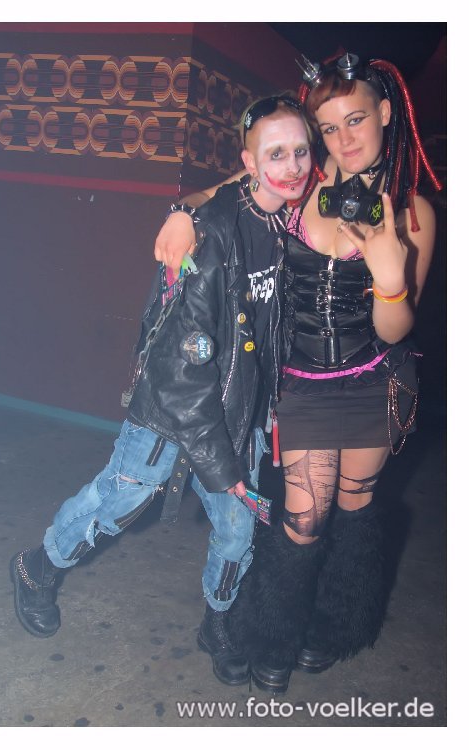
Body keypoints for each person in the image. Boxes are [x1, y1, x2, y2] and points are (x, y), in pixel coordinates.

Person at [153, 52, 441, 693]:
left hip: (373, 380)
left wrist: (389, 277)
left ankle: (334, 628)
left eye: (356, 120)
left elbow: (396, 330)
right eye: (329, 127)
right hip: (303, 380)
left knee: (355, 507)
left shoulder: (413, 212)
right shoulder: (300, 179)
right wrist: (182, 212)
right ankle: (270, 634)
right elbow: (220, 192)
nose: (344, 140)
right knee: (303, 518)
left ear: (384, 113)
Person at [10, 95, 313, 687]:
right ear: (249, 163)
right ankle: (37, 567)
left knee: (237, 530)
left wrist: (268, 408)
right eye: (276, 153)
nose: (293, 165)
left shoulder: (285, 223)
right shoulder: (211, 235)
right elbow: (183, 373)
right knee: (117, 503)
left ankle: (218, 622)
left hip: (238, 411)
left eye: (301, 150)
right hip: (174, 409)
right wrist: (224, 470)